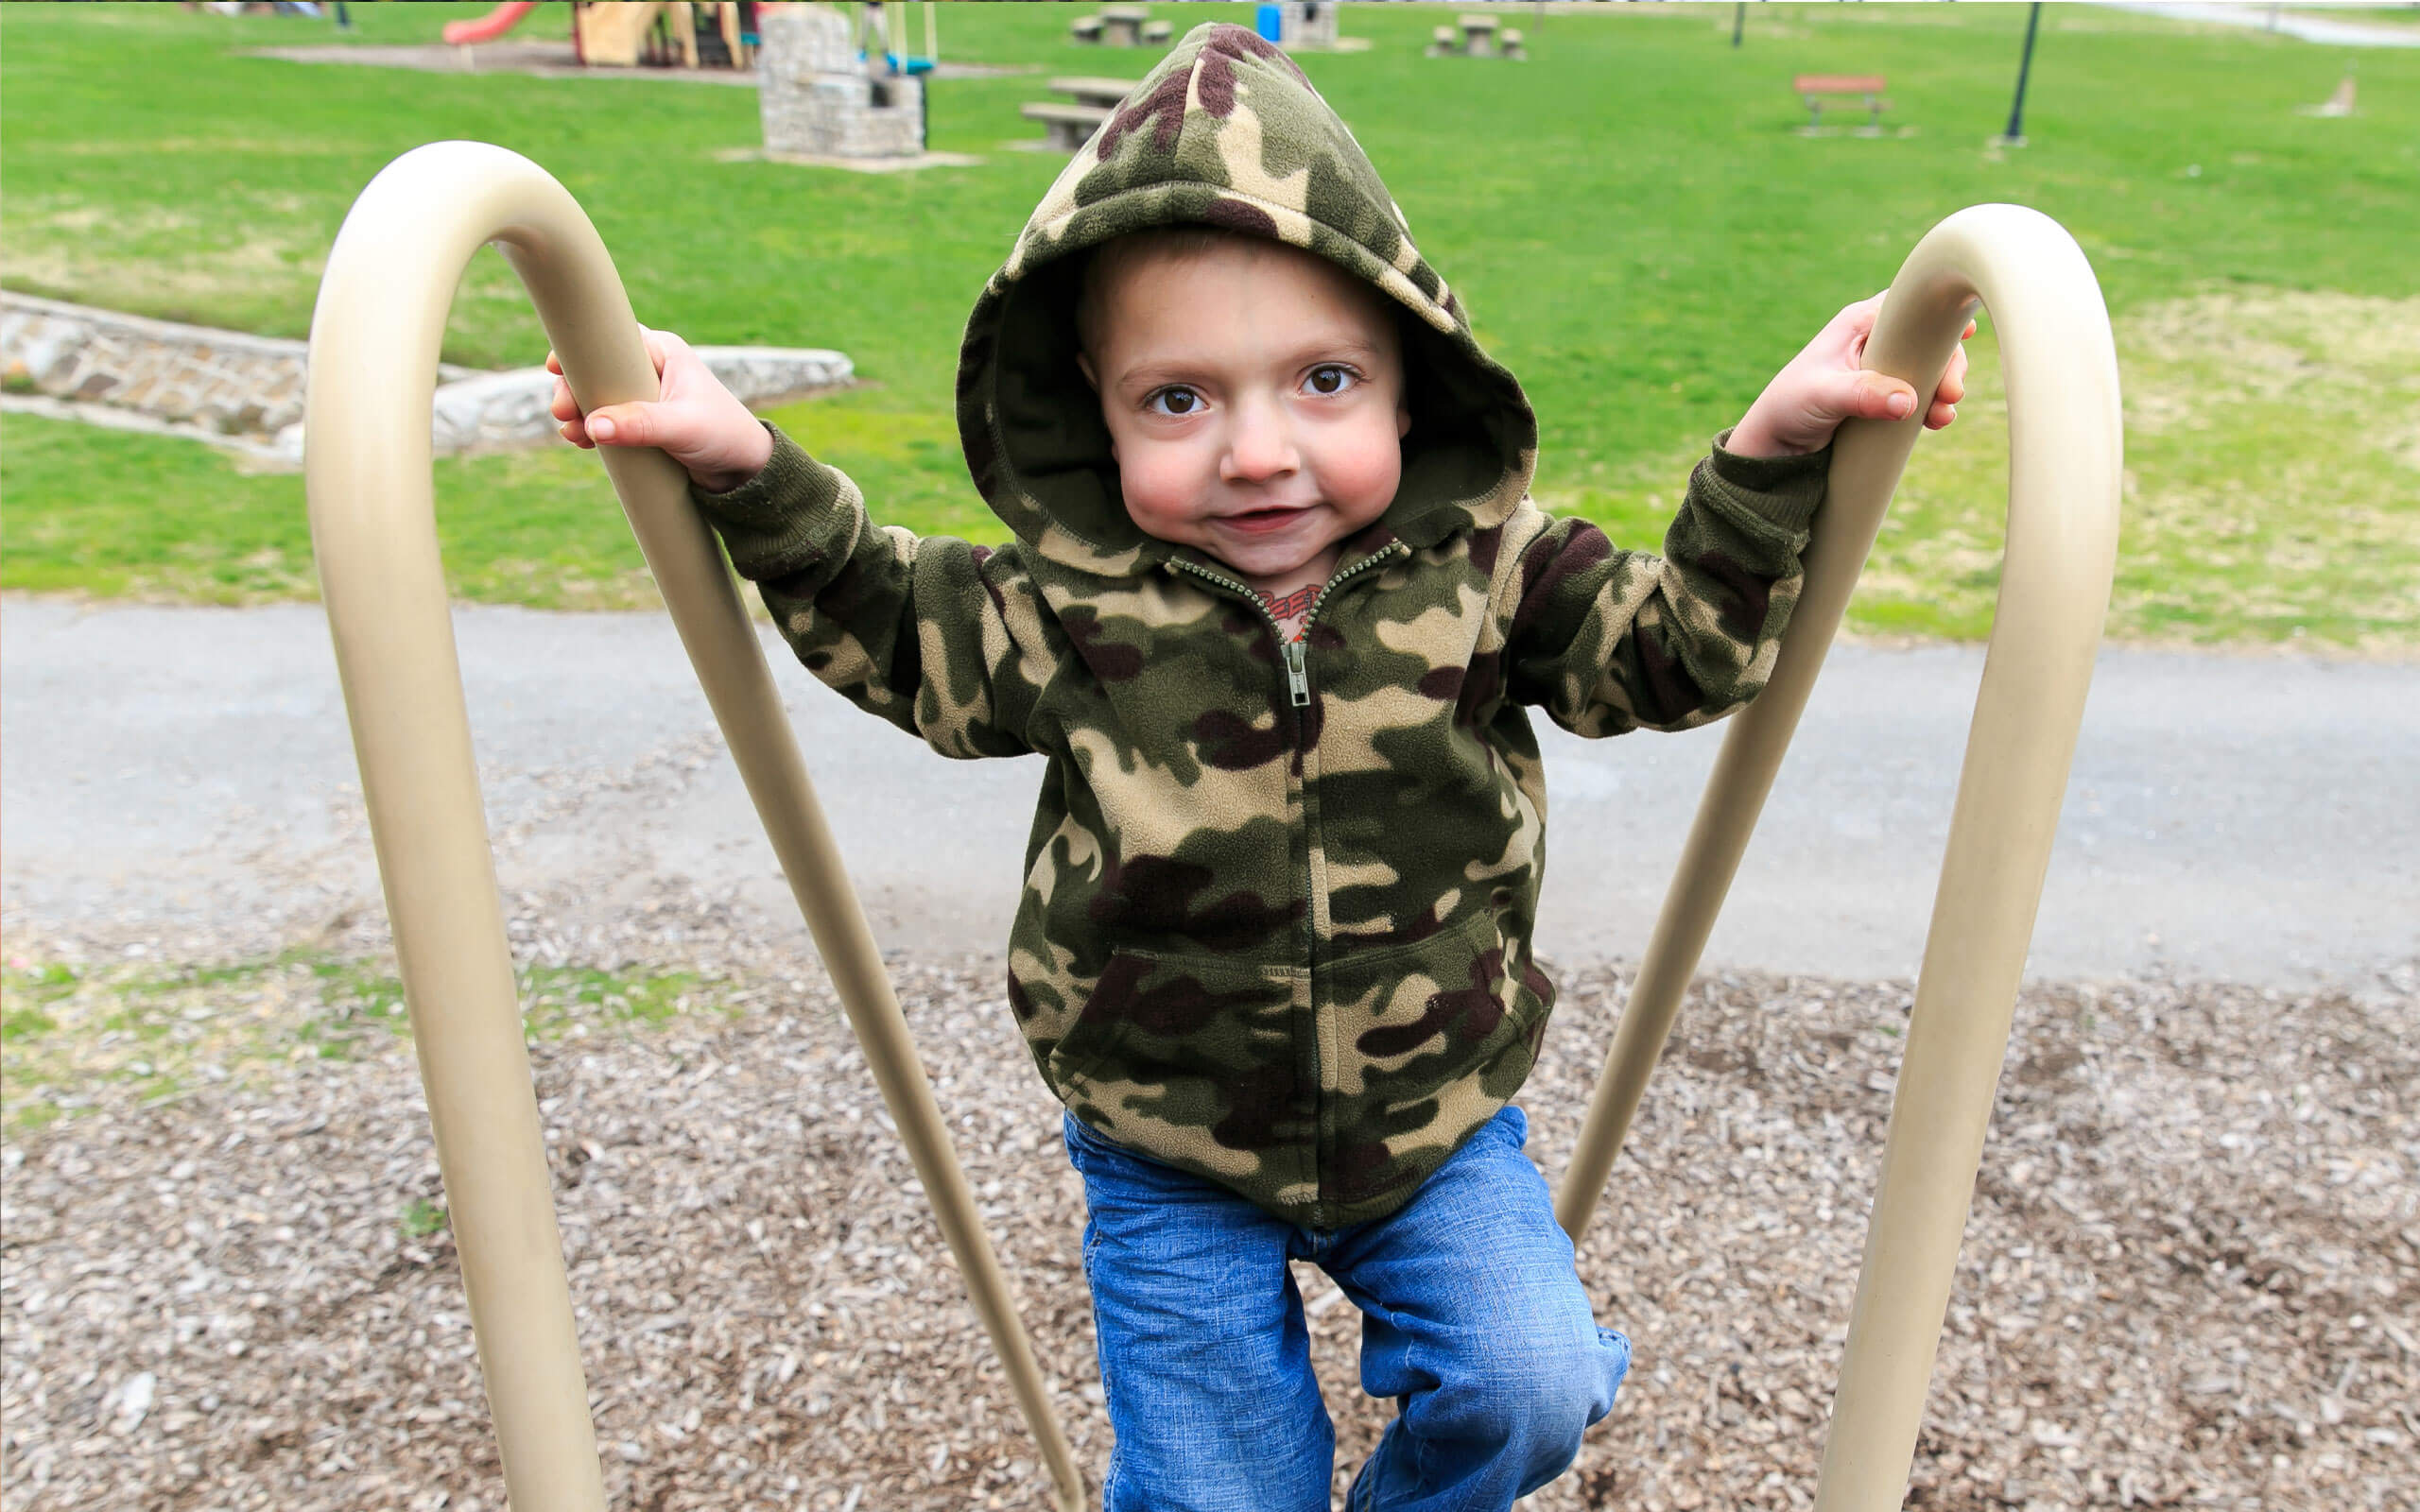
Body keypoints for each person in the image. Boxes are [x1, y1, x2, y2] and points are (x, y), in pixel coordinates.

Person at [544, 24, 1969, 1509]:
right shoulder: (1066, 609)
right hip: (1171, 1156)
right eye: (1179, 398)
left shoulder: (1490, 573)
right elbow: (888, 622)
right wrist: (740, 465)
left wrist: (1774, 449)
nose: (1258, 453)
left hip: (1435, 1130)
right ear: (1089, 414)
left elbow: (1675, 653)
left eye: (1324, 382)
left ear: (1412, 384)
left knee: (1531, 1384)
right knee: (1219, 1493)